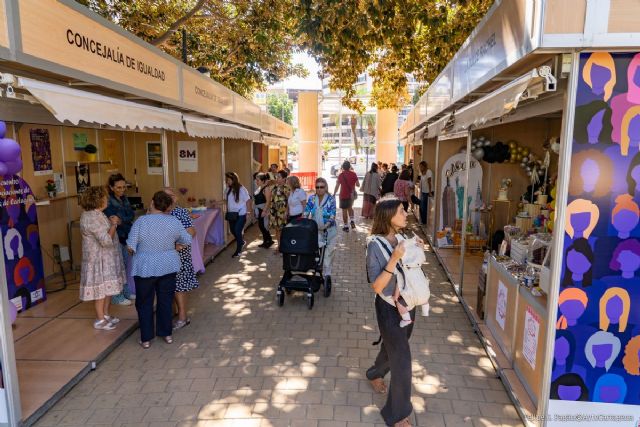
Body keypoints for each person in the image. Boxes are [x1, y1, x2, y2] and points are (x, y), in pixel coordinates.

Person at [366, 198, 422, 427]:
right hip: (388, 308)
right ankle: (397, 414)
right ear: (388, 215)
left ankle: (374, 373)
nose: (405, 214)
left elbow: (410, 271)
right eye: (401, 211)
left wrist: (417, 251)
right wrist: (395, 258)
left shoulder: (403, 238)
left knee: (392, 348)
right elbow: (377, 286)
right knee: (403, 361)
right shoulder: (374, 245)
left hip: (408, 305)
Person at [127, 191, 191, 349]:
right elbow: (187, 239)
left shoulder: (141, 221)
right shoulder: (174, 221)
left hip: (145, 266)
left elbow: (130, 246)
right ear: (167, 206)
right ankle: (166, 333)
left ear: (152, 202)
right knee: (165, 301)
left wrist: (140, 250)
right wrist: (176, 246)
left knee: (144, 302)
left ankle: (146, 338)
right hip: (168, 265)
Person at [79, 186, 125, 331]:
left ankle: (105, 314)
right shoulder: (91, 217)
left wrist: (112, 222)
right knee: (100, 291)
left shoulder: (98, 214)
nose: (107, 200)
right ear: (97, 200)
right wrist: (114, 224)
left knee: (108, 288)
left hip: (106, 259)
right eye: (104, 198)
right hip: (98, 260)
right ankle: (99, 319)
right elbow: (105, 240)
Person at [164, 187, 198, 330]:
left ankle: (183, 317)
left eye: (170, 196)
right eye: (163, 196)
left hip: (178, 256)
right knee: (169, 286)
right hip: (165, 256)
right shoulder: (160, 213)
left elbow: (191, 232)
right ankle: (174, 313)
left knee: (179, 286)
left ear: (175, 198)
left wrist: (179, 245)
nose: (166, 198)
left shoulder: (179, 212)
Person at [103, 173, 134, 306]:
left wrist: (123, 220)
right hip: (115, 237)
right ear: (111, 187)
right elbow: (114, 219)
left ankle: (125, 291)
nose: (122, 190)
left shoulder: (125, 198)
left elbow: (130, 214)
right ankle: (117, 295)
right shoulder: (108, 201)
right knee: (117, 267)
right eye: (118, 187)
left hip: (126, 235)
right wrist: (121, 220)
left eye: (123, 187)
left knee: (125, 266)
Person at [305, 177, 337, 283]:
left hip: (329, 230)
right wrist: (303, 221)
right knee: (316, 252)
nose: (319, 189)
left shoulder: (331, 199)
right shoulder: (312, 198)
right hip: (316, 230)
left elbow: (333, 214)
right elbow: (306, 211)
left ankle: (327, 273)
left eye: (322, 187)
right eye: (317, 187)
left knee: (328, 252)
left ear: (326, 187)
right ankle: (317, 270)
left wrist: (326, 225)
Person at [225, 172, 252, 258]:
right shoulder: (228, 189)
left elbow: (248, 200)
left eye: (228, 179)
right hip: (231, 214)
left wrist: (248, 212)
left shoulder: (241, 189)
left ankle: (238, 250)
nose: (227, 181)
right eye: (227, 179)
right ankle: (241, 242)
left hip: (241, 213)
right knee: (233, 231)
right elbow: (227, 201)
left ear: (233, 179)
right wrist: (215, 203)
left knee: (237, 230)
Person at [333, 160, 360, 232]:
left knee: (344, 210)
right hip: (351, 195)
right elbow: (358, 185)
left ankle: (346, 226)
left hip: (343, 195)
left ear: (343, 167)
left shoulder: (341, 175)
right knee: (350, 208)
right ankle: (352, 221)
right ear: (349, 167)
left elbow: (337, 186)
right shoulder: (353, 174)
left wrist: (334, 193)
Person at [268, 170, 290, 250]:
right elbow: (271, 199)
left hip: (283, 212)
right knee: (277, 230)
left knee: (283, 230)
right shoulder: (274, 187)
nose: (277, 178)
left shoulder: (287, 188)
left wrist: (286, 212)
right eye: (277, 177)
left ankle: (285, 246)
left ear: (284, 178)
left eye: (279, 177)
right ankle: (279, 246)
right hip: (274, 212)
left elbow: (289, 201)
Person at [254, 173, 273, 248]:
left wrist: (264, 211)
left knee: (263, 226)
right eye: (256, 180)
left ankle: (268, 241)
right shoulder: (259, 188)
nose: (256, 181)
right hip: (259, 209)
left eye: (258, 180)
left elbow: (268, 201)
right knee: (261, 226)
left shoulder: (266, 188)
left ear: (263, 180)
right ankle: (267, 240)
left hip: (263, 209)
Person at [417, 161, 433, 225]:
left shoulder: (428, 172)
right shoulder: (421, 172)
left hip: (427, 192)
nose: (420, 167)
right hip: (423, 192)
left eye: (421, 166)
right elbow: (420, 181)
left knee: (424, 207)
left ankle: (424, 222)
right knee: (422, 207)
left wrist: (430, 192)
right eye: (419, 166)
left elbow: (429, 182)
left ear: (424, 166)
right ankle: (423, 221)